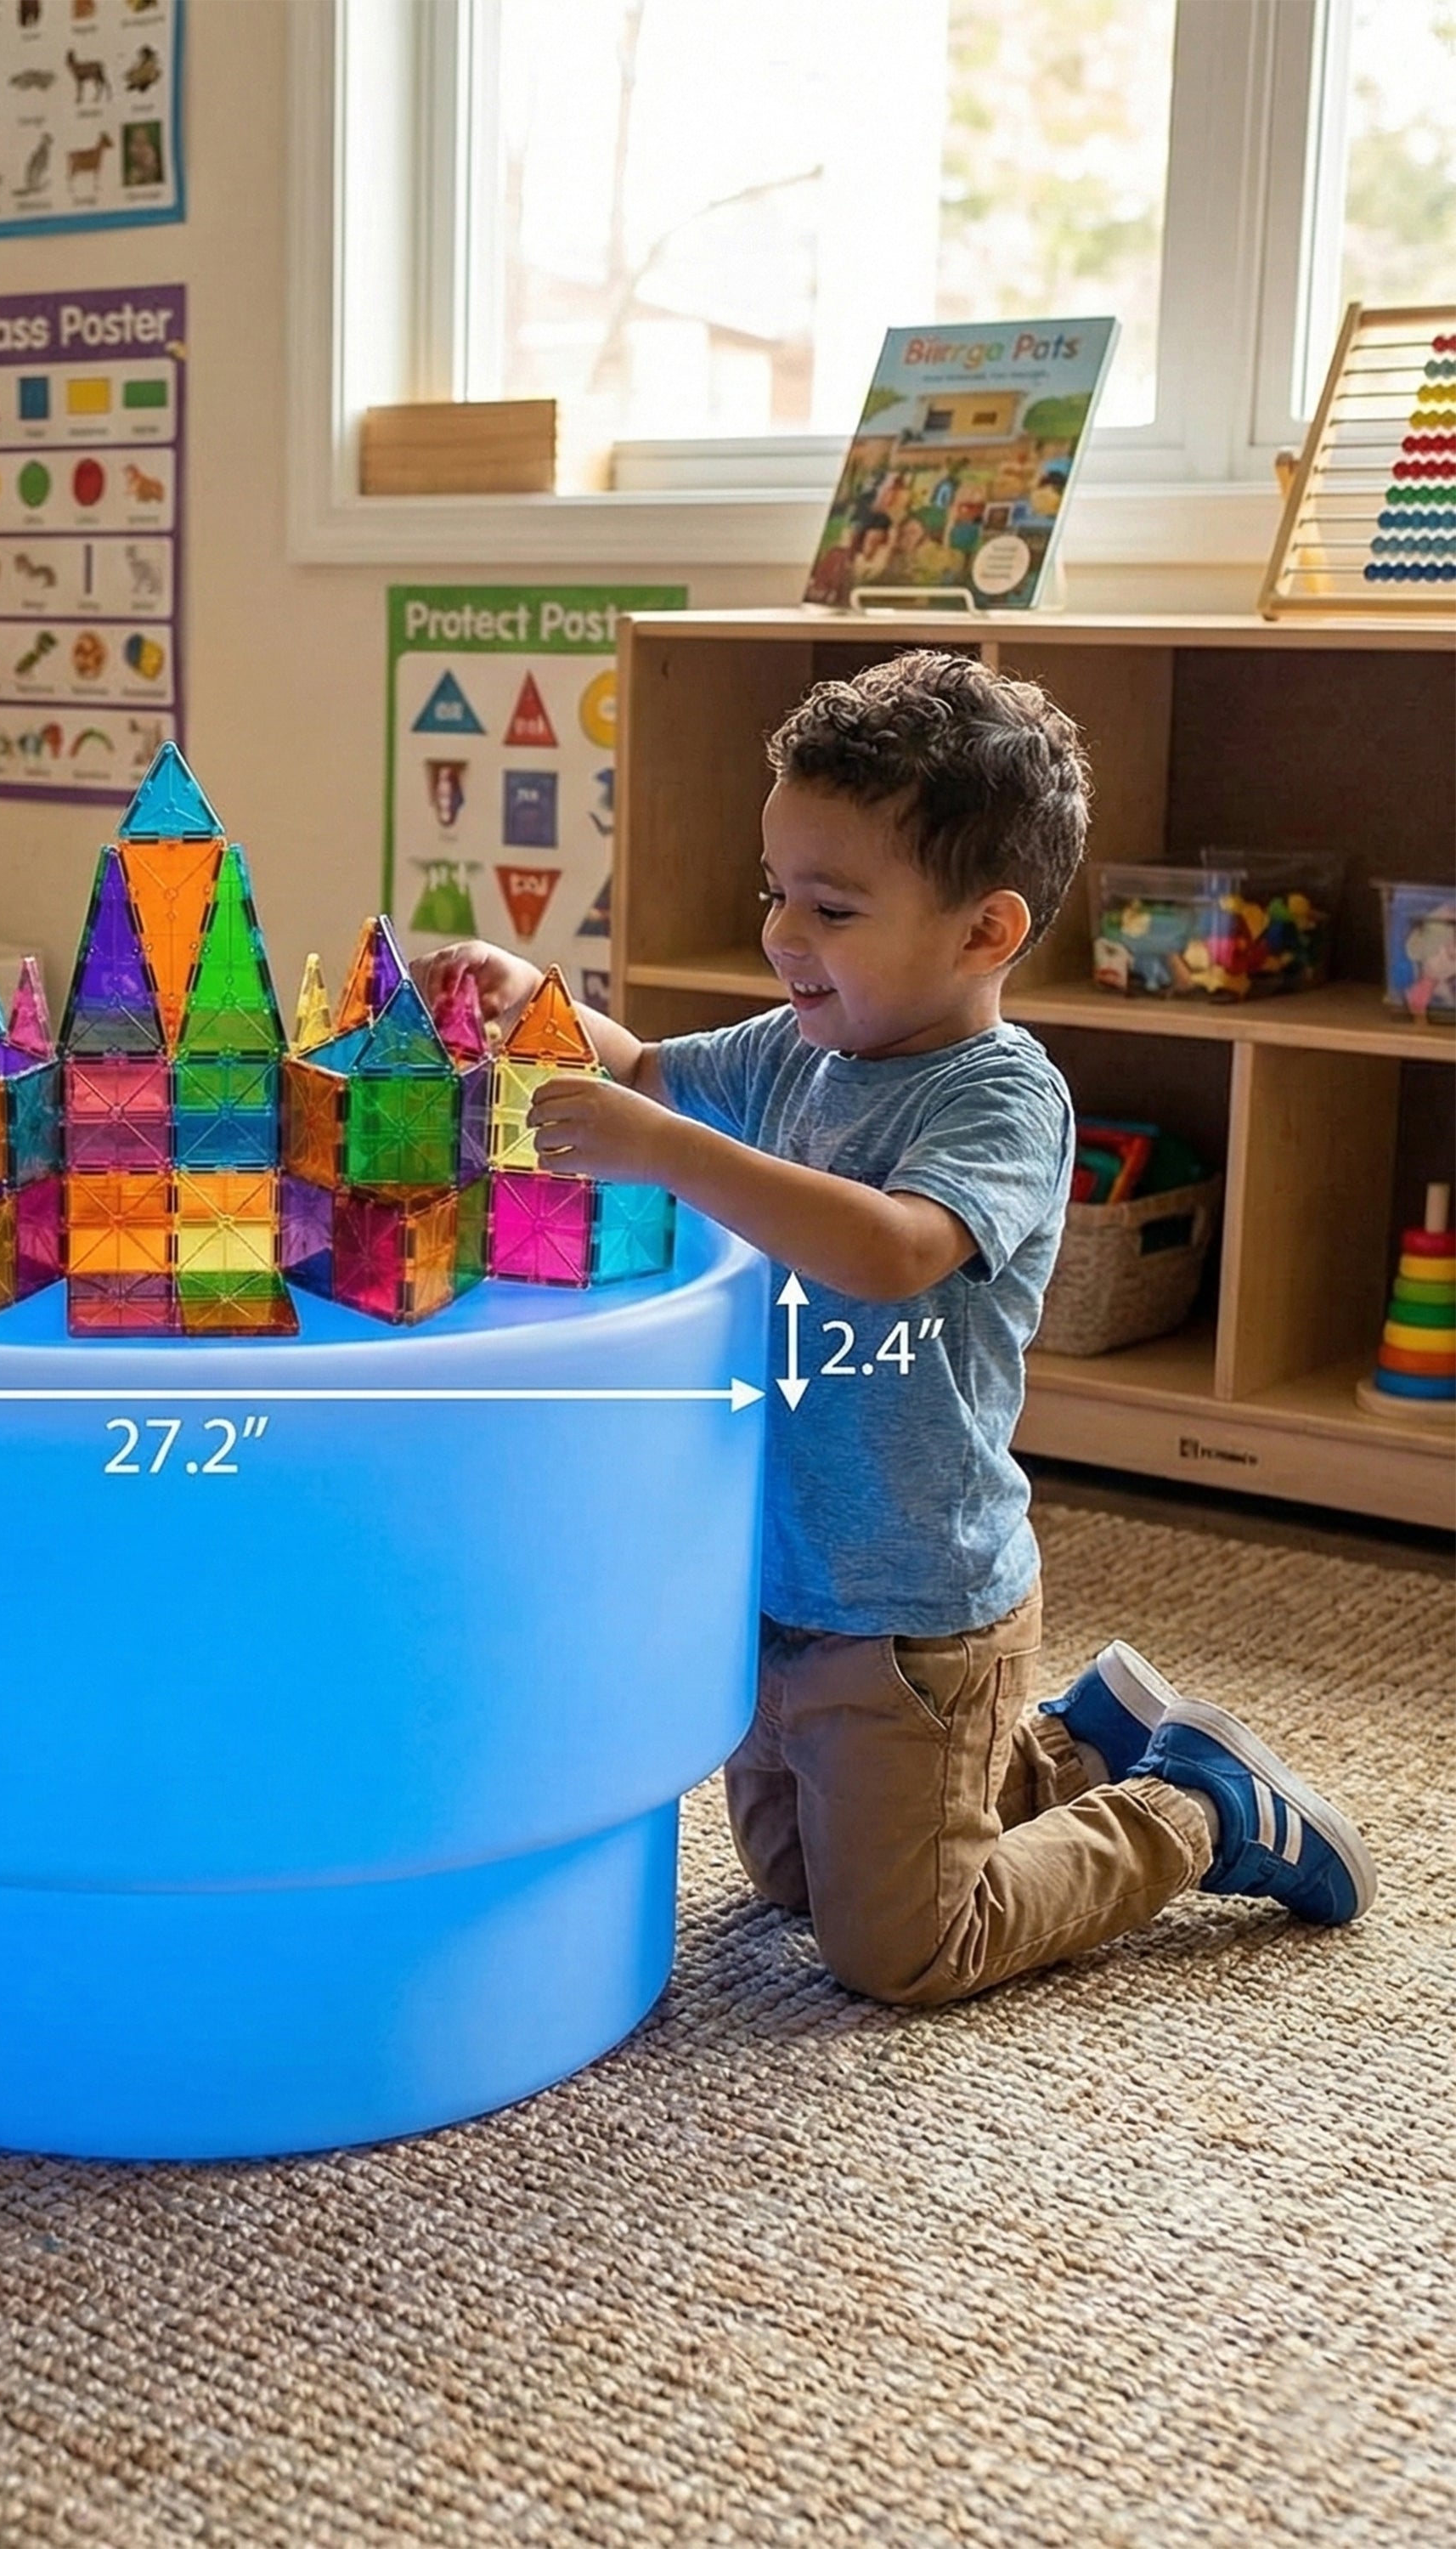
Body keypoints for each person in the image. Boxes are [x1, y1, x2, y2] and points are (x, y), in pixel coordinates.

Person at [418, 650, 1374, 2007]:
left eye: (833, 906)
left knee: (907, 1949)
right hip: (775, 1584)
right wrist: (538, 999)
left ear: (986, 932)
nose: (782, 936)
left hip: (914, 1605)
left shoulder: (1000, 1098)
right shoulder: (796, 1044)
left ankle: (1205, 1808)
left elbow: (892, 1250)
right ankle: (1069, 1748)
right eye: (776, 892)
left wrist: (670, 1150)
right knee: (792, 1883)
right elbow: (639, 1074)